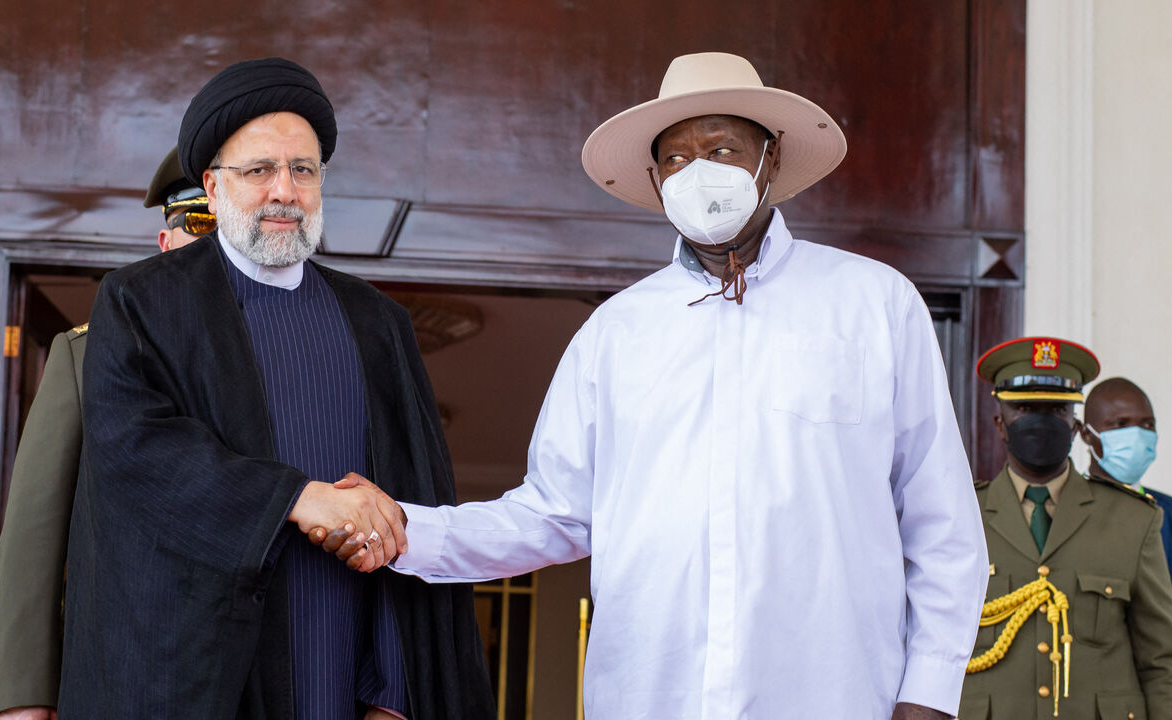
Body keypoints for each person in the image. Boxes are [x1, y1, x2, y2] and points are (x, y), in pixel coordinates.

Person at [373, 52, 989, 719]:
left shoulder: (873, 305)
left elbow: (941, 521)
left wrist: (928, 696)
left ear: (771, 157)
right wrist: (403, 530)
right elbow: (552, 513)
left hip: (832, 694)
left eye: (723, 148)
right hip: (648, 698)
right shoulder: (614, 335)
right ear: (655, 177)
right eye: (677, 159)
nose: (700, 173)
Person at [57, 58, 493, 719]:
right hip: (189, 684)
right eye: (258, 170)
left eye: (303, 170)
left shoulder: (379, 325)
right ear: (212, 185)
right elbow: (138, 459)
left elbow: (412, 500)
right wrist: (296, 499)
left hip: (340, 680)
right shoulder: (142, 304)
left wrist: (395, 697)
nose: (283, 191)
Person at [0, 148, 215, 719]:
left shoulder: (285, 355)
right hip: (118, 673)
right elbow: (33, 540)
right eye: (200, 228)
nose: (213, 251)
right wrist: (25, 699)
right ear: (165, 245)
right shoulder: (85, 354)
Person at [960, 337, 1172, 719]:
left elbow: (1162, 662)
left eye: (1055, 410)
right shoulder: (960, 517)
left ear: (1075, 425)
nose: (1040, 422)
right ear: (1001, 423)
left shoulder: (1133, 520)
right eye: (1026, 409)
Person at [1081, 377, 1172, 618]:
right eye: (1120, 425)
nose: (1136, 436)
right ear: (1087, 434)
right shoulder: (1058, 509)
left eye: (1147, 425)